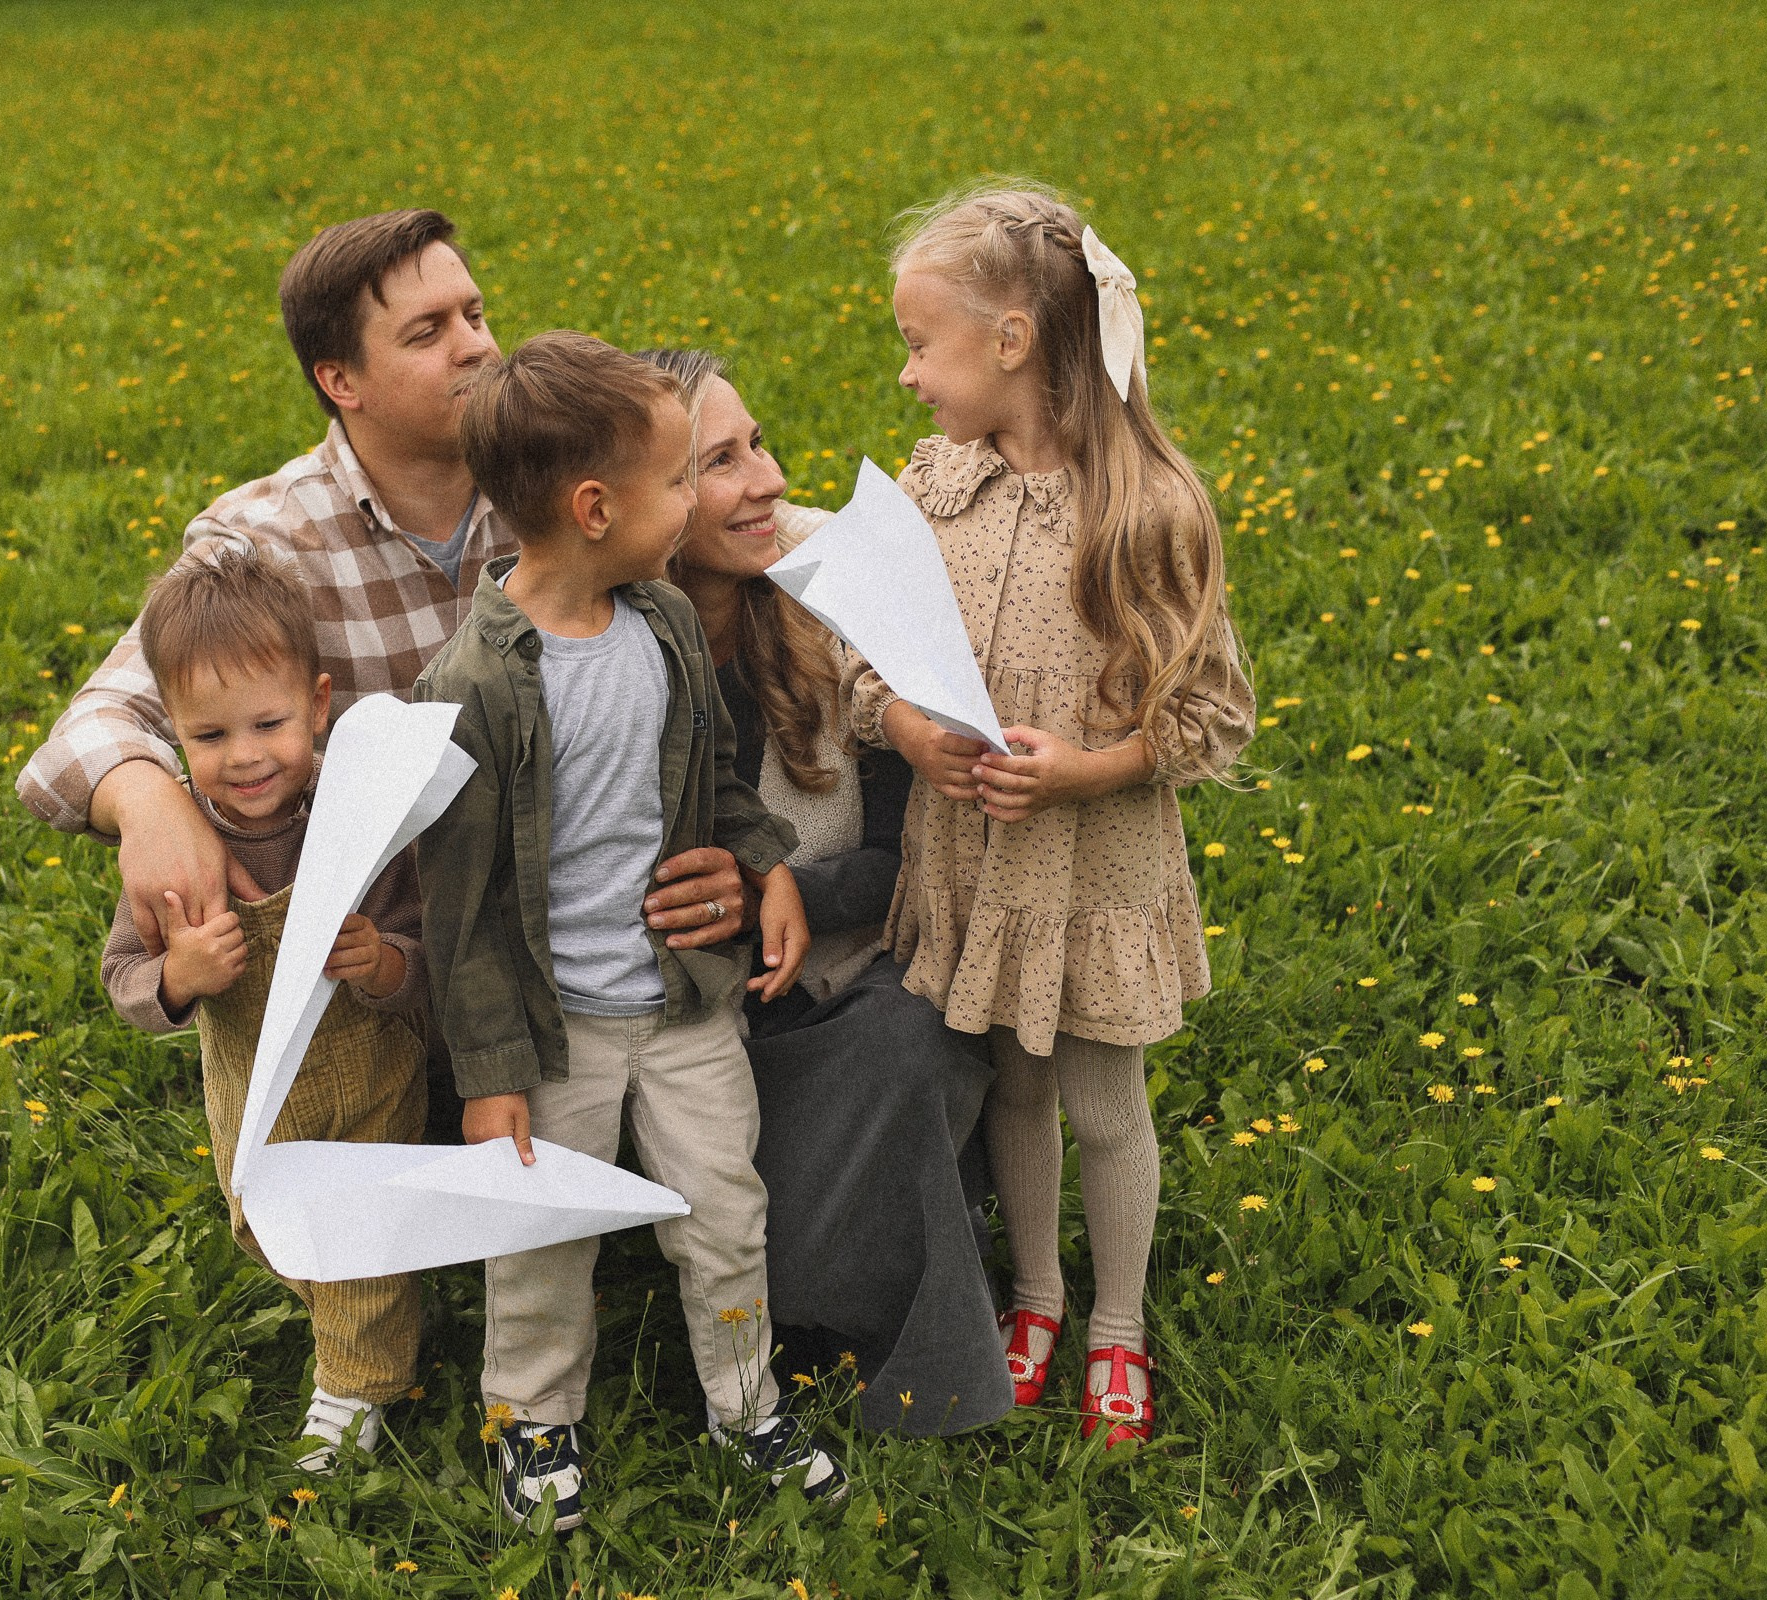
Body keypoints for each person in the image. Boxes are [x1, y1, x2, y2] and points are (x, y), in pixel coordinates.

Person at [17, 212, 754, 1086]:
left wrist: (751, 859)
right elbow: (94, 721)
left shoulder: (562, 486)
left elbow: (767, 524)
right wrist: (147, 802)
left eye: (475, 316)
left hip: (603, 957)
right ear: (341, 380)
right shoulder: (268, 538)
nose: (476, 347)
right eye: (427, 332)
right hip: (385, 997)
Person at [412, 332, 840, 1529]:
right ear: (595, 508)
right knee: (544, 1239)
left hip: (684, 1004)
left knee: (726, 1210)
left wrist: (765, 863)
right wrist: (492, 1073)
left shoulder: (658, 619)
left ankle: (747, 1403)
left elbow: (711, 781)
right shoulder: (479, 683)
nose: (697, 502)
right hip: (557, 1036)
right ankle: (532, 1417)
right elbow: (465, 906)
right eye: (676, 483)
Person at [859, 181, 1255, 1446]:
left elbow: (1211, 715)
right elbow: (862, 665)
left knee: (1101, 1101)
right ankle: (1033, 1297)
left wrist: (1086, 769)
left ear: (1013, 341)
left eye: (924, 344)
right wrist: (905, 729)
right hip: (978, 856)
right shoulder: (933, 490)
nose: (911, 375)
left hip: (1091, 865)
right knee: (1013, 1096)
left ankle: (1118, 1322)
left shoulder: (1145, 509)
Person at [643, 345, 1014, 1437]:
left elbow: (914, 846)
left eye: (758, 444)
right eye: (721, 461)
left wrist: (789, 888)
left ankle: (890, 1345)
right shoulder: (593, 639)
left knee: (909, 1038)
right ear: (646, 502)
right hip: (675, 1016)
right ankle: (787, 1286)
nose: (763, 478)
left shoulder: (837, 582)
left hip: (846, 978)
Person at [95, 545, 428, 1473]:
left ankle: (357, 1386)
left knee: (358, 1232)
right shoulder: (181, 850)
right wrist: (182, 974)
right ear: (173, 734)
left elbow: (429, 948)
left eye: (270, 724)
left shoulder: (359, 819)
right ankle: (355, 1310)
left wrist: (383, 959)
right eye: (208, 738)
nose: (244, 758)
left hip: (369, 1074)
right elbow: (126, 976)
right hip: (252, 1092)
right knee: (273, 1224)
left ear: (319, 706)